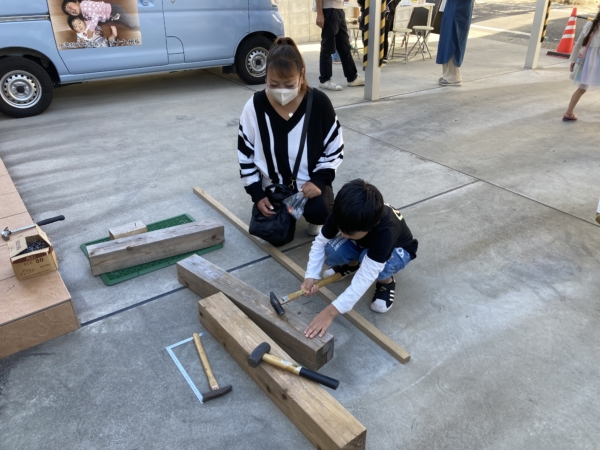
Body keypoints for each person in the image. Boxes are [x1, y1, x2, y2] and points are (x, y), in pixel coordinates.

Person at [237, 37, 344, 238]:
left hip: (307, 187)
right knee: (275, 237)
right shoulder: (254, 107)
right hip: (274, 188)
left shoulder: (319, 102)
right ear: (265, 76)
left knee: (320, 211)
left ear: (301, 76)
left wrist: (319, 181)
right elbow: (245, 155)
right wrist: (257, 195)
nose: (281, 91)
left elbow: (334, 148)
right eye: (274, 84)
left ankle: (312, 215)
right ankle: (285, 212)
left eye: (289, 84)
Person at [301, 179, 418, 338]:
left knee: (376, 266)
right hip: (367, 243)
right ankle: (353, 264)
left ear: (371, 227)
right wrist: (311, 275)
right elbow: (320, 243)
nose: (343, 235)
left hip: (399, 250)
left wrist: (329, 312)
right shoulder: (342, 213)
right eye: (341, 230)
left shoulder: (386, 232)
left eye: (349, 233)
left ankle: (386, 282)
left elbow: (365, 277)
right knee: (332, 248)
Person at [315, 0, 365, 91]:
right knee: (327, 47)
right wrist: (319, 14)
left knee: (345, 47)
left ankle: (352, 77)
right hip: (329, 9)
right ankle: (325, 80)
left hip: (339, 9)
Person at [563, 5, 600, 121]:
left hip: (587, 61)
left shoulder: (590, 25)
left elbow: (578, 44)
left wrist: (573, 60)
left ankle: (568, 113)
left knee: (581, 88)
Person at [436, 0, 475, 87]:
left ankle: (453, 76)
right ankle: (447, 74)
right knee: (447, 38)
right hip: (453, 6)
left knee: (452, 39)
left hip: (458, 8)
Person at [62, 0, 140, 29]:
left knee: (129, 21)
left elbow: (95, 17)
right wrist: (86, 25)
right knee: (126, 19)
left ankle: (140, 23)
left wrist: (91, 29)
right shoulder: (83, 12)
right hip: (111, 14)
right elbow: (89, 19)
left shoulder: (84, 5)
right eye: (68, 12)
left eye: (69, 6)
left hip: (113, 10)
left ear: (76, 1)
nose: (70, 10)